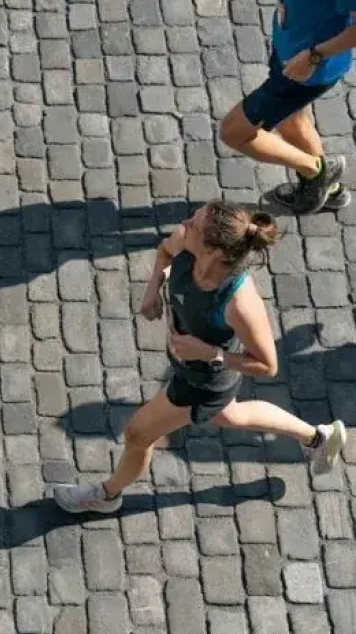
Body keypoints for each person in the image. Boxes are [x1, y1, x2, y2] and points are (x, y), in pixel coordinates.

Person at [54, 200, 346, 514]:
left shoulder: (240, 303)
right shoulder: (186, 241)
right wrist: (153, 290)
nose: (186, 223)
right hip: (190, 367)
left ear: (214, 251)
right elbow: (165, 252)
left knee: (137, 433)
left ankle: (107, 496)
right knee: (229, 415)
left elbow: (267, 365)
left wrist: (209, 352)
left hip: (202, 383)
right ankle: (319, 439)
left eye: (195, 223)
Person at [220, 0, 356, 214]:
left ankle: (318, 173)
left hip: (304, 71)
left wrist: (313, 56)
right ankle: (331, 190)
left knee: (234, 131)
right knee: (292, 122)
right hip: (288, 45)